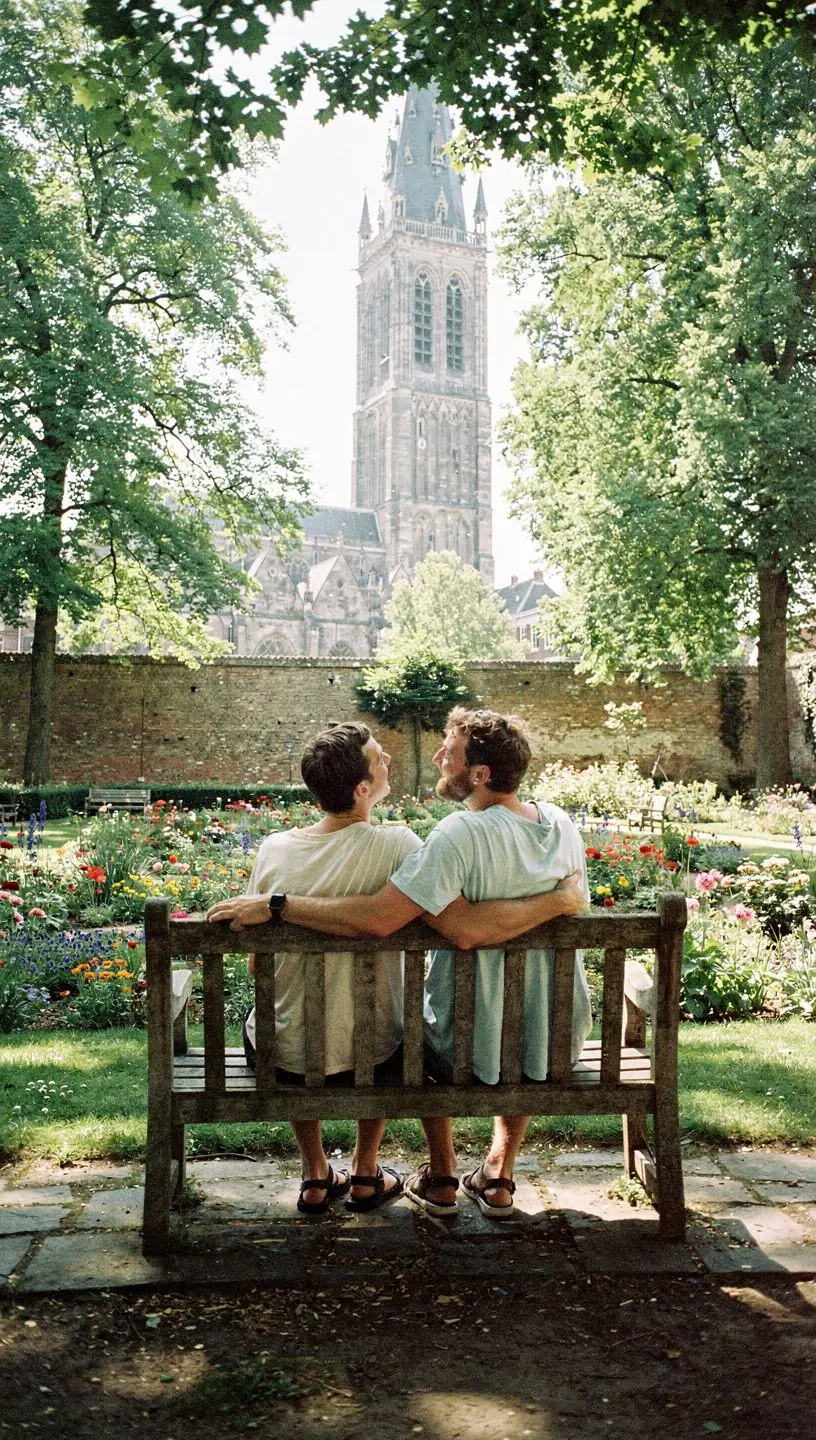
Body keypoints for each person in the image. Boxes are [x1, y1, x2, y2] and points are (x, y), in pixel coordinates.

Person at [208, 708, 591, 1222]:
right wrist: (556, 902)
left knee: (386, 1032)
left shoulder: (282, 847)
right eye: (379, 758)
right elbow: (408, 918)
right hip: (554, 1039)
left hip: (320, 1052)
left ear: (479, 774)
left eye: (448, 752)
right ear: (362, 787)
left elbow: (452, 928)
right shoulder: (559, 826)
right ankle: (480, 1173)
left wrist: (280, 904)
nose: (433, 757)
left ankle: (402, 1175)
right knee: (417, 1029)